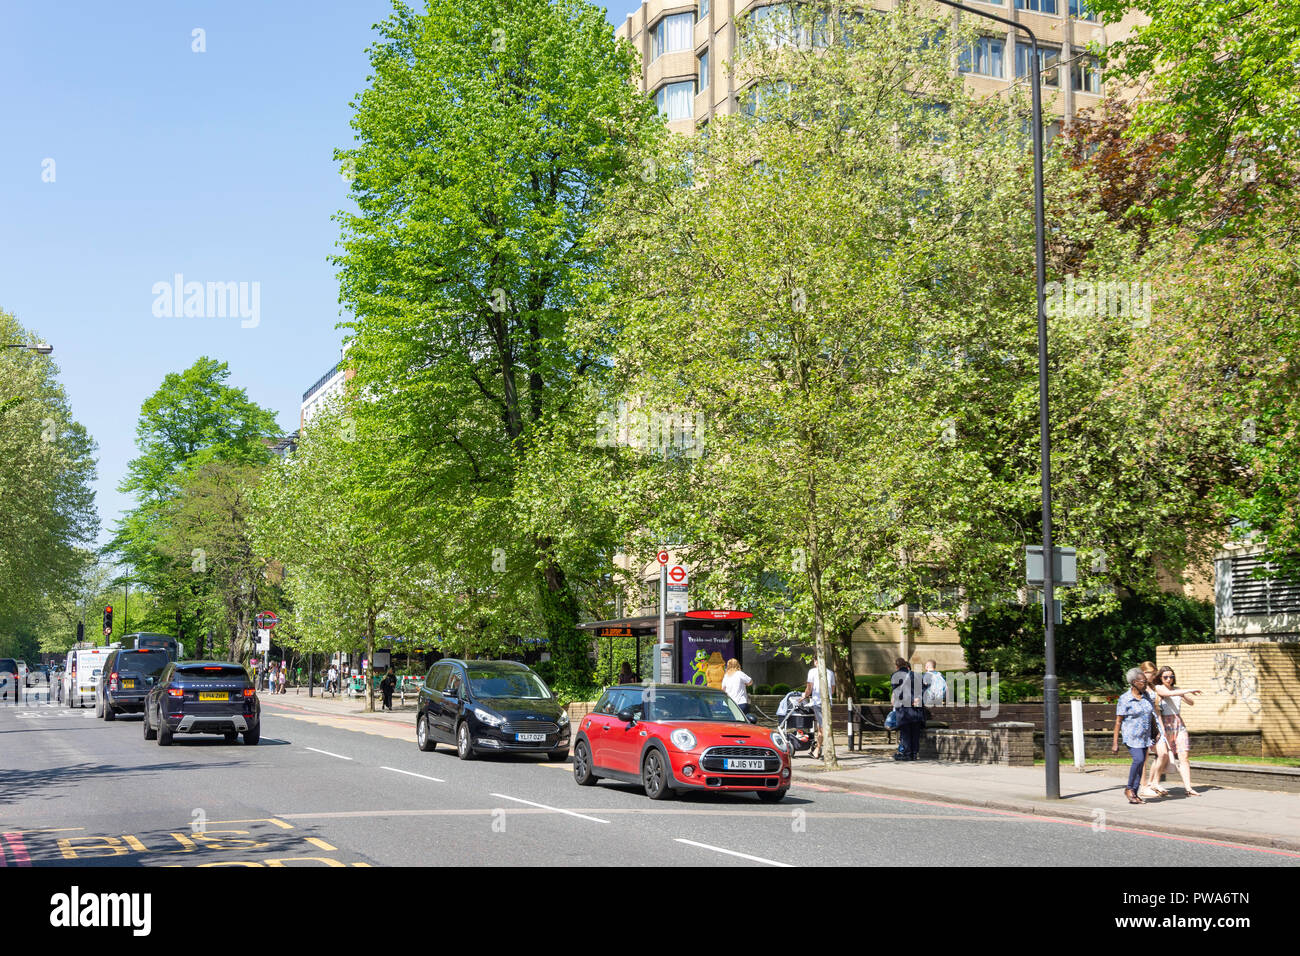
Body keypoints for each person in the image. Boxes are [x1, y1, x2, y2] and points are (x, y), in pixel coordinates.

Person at [1150, 665, 1203, 797]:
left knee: (1184, 756)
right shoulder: (1159, 688)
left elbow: (1191, 703)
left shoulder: (1178, 690)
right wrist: (1189, 690)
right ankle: (1153, 783)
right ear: (1160, 678)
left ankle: (1188, 788)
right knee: (1163, 756)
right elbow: (1168, 694)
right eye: (1166, 677)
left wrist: (1184, 694)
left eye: (1171, 676)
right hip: (1164, 725)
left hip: (1178, 724)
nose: (1169, 679)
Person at [1112, 668, 1157, 804]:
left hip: (1145, 737)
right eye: (1143, 682)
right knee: (1138, 760)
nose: (1146, 684)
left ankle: (1134, 794)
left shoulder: (1147, 697)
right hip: (1131, 736)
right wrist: (1115, 743)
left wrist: (1155, 732)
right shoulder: (1125, 699)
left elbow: (1151, 715)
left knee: (1141, 762)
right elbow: (1118, 722)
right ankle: (1129, 788)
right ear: (1134, 682)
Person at [1138, 660, 1169, 798]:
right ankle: (1143, 786)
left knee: (1163, 754)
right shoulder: (1139, 688)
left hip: (1156, 724)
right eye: (1152, 673)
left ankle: (1154, 782)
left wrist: (1162, 730)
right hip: (1144, 725)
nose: (1153, 676)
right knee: (1143, 758)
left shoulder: (1153, 688)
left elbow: (1157, 711)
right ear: (1144, 673)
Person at [890, 658, 930, 761]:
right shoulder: (917, 675)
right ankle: (914, 754)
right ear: (906, 665)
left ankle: (907, 754)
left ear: (897, 666)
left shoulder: (895, 676)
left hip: (904, 710)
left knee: (906, 732)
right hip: (916, 710)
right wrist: (918, 698)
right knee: (915, 732)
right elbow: (925, 688)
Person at [801, 659, 836, 759]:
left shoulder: (812, 671)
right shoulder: (830, 672)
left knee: (822, 728)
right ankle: (818, 748)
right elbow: (832, 690)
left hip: (818, 702)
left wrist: (804, 696)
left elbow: (809, 688)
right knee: (821, 726)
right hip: (828, 702)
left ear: (816, 661)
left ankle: (818, 750)